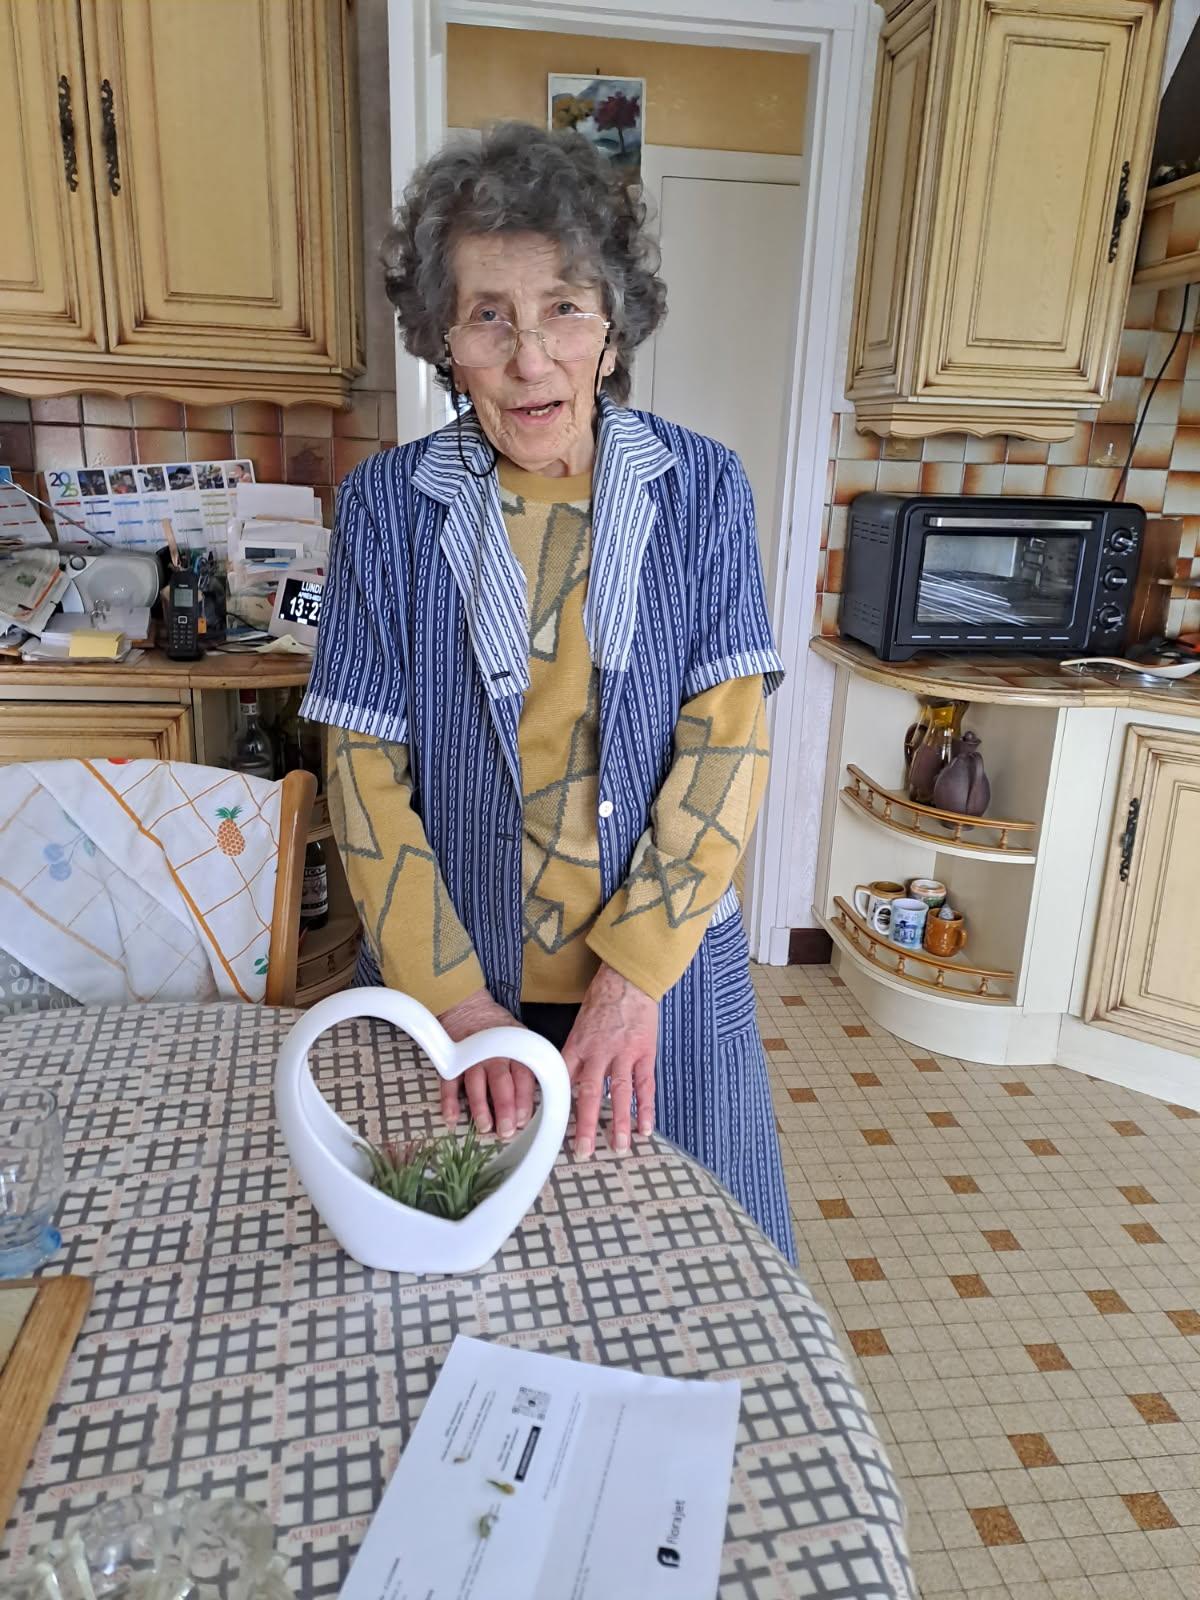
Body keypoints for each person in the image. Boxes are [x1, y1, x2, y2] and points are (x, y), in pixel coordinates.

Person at [300, 123, 796, 1262]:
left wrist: (631, 984)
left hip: (658, 984)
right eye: (489, 316)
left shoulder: (703, 490)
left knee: (677, 1270)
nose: (531, 359)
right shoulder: (388, 507)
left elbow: (727, 748)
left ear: (613, 329)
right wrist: (457, 1004)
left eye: (564, 308)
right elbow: (363, 773)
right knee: (454, 1264)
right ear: (445, 343)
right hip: (453, 986)